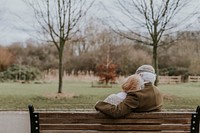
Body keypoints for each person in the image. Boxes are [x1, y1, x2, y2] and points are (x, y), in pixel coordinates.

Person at [95, 65, 163, 118]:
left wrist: (99, 104)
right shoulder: (158, 92)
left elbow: (117, 112)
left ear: (140, 76)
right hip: (155, 128)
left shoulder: (136, 94)